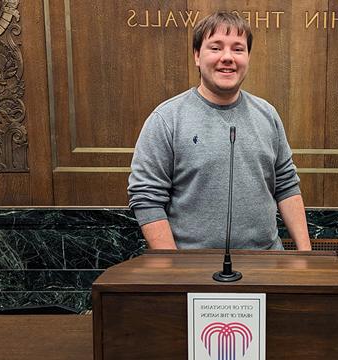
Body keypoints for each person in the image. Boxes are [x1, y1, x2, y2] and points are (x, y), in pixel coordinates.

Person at [128, 11, 311, 251]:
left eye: (238, 49)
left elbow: (286, 185)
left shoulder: (267, 115)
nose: (227, 57)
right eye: (215, 48)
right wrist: (172, 266)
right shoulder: (167, 119)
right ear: (197, 55)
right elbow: (146, 197)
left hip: (266, 264)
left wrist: (305, 256)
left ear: (248, 57)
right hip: (192, 269)